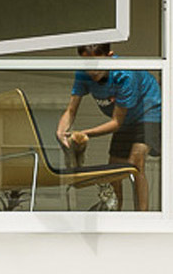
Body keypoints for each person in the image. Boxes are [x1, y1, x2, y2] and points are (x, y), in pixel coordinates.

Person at [56, 44, 161, 211]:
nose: (92, 71)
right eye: (87, 64)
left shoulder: (124, 74)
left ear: (110, 56)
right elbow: (71, 110)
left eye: (97, 64)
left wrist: (83, 133)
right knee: (114, 169)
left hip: (148, 111)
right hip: (126, 118)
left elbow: (116, 123)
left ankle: (142, 215)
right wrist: (61, 131)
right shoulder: (82, 74)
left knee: (135, 162)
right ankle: (115, 213)